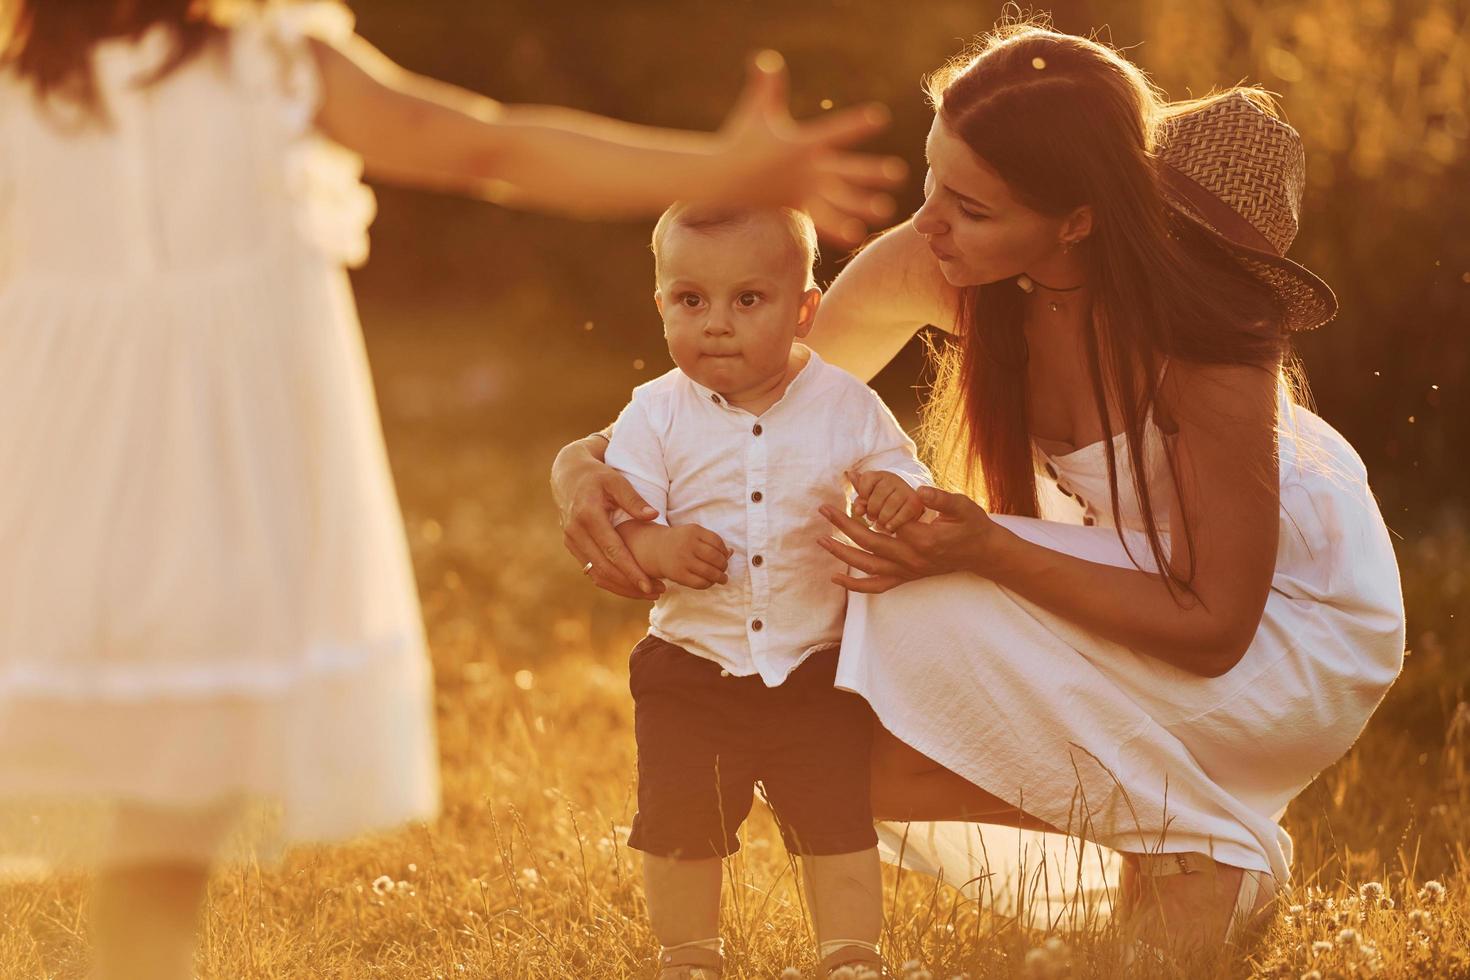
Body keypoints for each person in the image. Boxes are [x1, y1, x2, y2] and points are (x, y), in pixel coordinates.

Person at [0, 2, 903, 978]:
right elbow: (492, 147)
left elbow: (490, 147)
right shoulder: (278, 69)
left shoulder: (31, 88)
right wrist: (717, 169)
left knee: (158, 803)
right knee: (171, 810)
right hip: (220, 497)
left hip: (65, 483)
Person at [551, 19, 1406, 959]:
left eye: (971, 206)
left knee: (888, 601)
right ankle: (1186, 837)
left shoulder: (1206, 356)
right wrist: (583, 461)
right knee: (822, 733)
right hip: (1137, 576)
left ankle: (1204, 839)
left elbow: (1214, 629)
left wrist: (986, 547)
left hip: (1287, 630)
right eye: (930, 181)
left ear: (1077, 221)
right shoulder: (940, 263)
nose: (928, 223)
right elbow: (755, 390)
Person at [605, 202, 931, 979]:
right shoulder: (654, 413)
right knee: (680, 824)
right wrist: (659, 545)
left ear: (804, 310)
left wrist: (892, 490)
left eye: (747, 300)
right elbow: (621, 529)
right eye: (691, 301)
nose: (716, 323)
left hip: (812, 666)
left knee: (836, 821)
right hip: (691, 666)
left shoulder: (846, 404)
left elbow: (902, 470)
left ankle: (850, 954)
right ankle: (688, 955)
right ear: (660, 305)